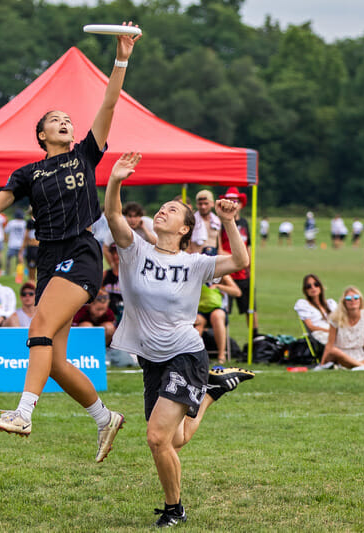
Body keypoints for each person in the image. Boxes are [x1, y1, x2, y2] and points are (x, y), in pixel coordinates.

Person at [0, 25, 139, 460]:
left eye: (69, 121)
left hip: (80, 253)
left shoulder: (85, 153)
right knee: (55, 361)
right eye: (56, 121)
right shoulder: (28, 174)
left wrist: (121, 58)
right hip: (49, 259)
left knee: (37, 329)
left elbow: (110, 101)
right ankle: (104, 418)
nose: (66, 123)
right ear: (41, 135)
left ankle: (23, 413)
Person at [104, 152, 254, 527]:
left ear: (185, 228)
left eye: (172, 210)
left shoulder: (195, 263)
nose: (162, 211)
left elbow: (239, 261)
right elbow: (113, 215)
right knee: (175, 439)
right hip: (151, 360)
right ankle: (210, 393)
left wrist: (228, 221)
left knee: (157, 438)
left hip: (186, 354)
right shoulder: (135, 251)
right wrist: (116, 180)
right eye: (162, 207)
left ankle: (175, 510)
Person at [314, 286, 364, 370]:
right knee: (334, 351)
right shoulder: (336, 318)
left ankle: (358, 365)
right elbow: (329, 345)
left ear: (360, 301)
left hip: (360, 354)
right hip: (341, 355)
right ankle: (362, 366)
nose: (353, 300)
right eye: (349, 298)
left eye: (356, 297)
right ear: (344, 302)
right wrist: (322, 364)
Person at [219, 187, 257, 335]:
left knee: (250, 307)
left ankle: (255, 338)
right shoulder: (221, 222)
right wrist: (234, 259)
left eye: (235, 201)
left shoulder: (245, 223)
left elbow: (248, 247)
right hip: (227, 272)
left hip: (243, 273)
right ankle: (224, 342)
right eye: (229, 201)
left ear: (240, 204)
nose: (232, 204)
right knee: (224, 309)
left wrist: (250, 267)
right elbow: (219, 247)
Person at [194, 272, 241, 365]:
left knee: (217, 316)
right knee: (197, 322)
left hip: (218, 309)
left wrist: (219, 287)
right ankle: (193, 355)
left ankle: (221, 355)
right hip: (200, 310)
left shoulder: (222, 274)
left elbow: (237, 292)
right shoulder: (196, 272)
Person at [293, 274, 337, 348]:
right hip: (320, 335)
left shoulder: (330, 303)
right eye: (308, 286)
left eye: (316, 284)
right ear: (305, 290)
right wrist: (329, 331)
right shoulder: (304, 305)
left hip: (335, 332)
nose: (313, 288)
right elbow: (311, 327)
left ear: (320, 286)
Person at [189, 190, 221, 254]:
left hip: (213, 258)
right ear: (197, 204)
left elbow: (219, 246)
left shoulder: (217, 221)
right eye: (200, 204)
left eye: (206, 203)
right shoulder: (192, 220)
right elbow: (187, 245)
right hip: (196, 258)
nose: (203, 207)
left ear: (212, 204)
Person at [4, 210, 27, 276]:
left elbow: (6, 231)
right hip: (21, 244)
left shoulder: (11, 223)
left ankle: (7, 272)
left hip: (12, 244)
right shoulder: (24, 223)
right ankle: (19, 273)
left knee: (8, 258)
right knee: (20, 260)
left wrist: (6, 239)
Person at [21, 210, 40, 283]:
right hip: (36, 247)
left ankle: (32, 282)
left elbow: (26, 236)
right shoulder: (38, 221)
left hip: (33, 247)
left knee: (32, 269)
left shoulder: (30, 222)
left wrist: (22, 248)